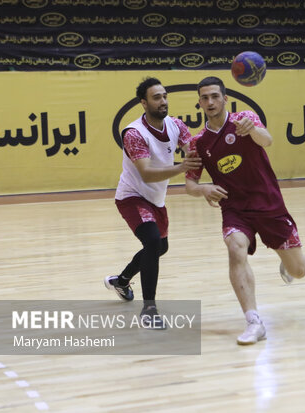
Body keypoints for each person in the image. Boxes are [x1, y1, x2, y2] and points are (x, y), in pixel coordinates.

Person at [184, 76, 305, 345]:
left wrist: (252, 129)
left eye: (215, 96)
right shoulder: (199, 142)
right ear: (199, 103)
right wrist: (204, 189)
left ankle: (287, 263)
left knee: (299, 270)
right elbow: (190, 184)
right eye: (204, 98)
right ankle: (254, 321)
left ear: (225, 98)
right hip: (235, 209)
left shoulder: (244, 119)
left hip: (268, 204)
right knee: (235, 248)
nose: (210, 102)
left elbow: (267, 140)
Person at [105, 77, 201, 329]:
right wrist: (182, 168)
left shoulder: (176, 125)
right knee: (152, 242)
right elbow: (146, 173)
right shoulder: (134, 133)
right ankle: (149, 310)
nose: (163, 101)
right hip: (132, 196)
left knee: (160, 248)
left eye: (165, 96)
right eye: (156, 97)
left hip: (156, 199)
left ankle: (122, 280)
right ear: (143, 103)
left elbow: (194, 151)